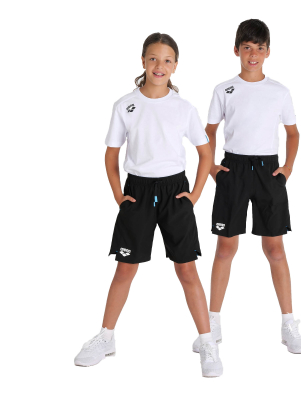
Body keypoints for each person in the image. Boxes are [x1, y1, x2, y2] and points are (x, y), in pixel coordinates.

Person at [74, 33, 223, 377]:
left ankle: (207, 342)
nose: (160, 65)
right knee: (125, 268)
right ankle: (106, 337)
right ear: (143, 61)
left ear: (175, 66)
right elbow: (111, 154)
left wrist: (195, 194)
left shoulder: (184, 108)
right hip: (137, 192)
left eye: (167, 60)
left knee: (187, 270)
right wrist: (118, 195)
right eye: (153, 58)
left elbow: (204, 153)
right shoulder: (125, 105)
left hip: (175, 192)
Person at [192, 19, 301, 355]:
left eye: (259, 48)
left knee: (275, 249)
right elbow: (208, 131)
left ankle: (288, 323)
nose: (253, 54)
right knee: (225, 248)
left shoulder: (279, 92)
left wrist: (287, 168)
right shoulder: (224, 89)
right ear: (236, 50)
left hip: (268, 171)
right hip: (234, 169)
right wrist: (212, 167)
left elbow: (293, 133)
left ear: (268, 52)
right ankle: (212, 323)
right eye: (247, 48)